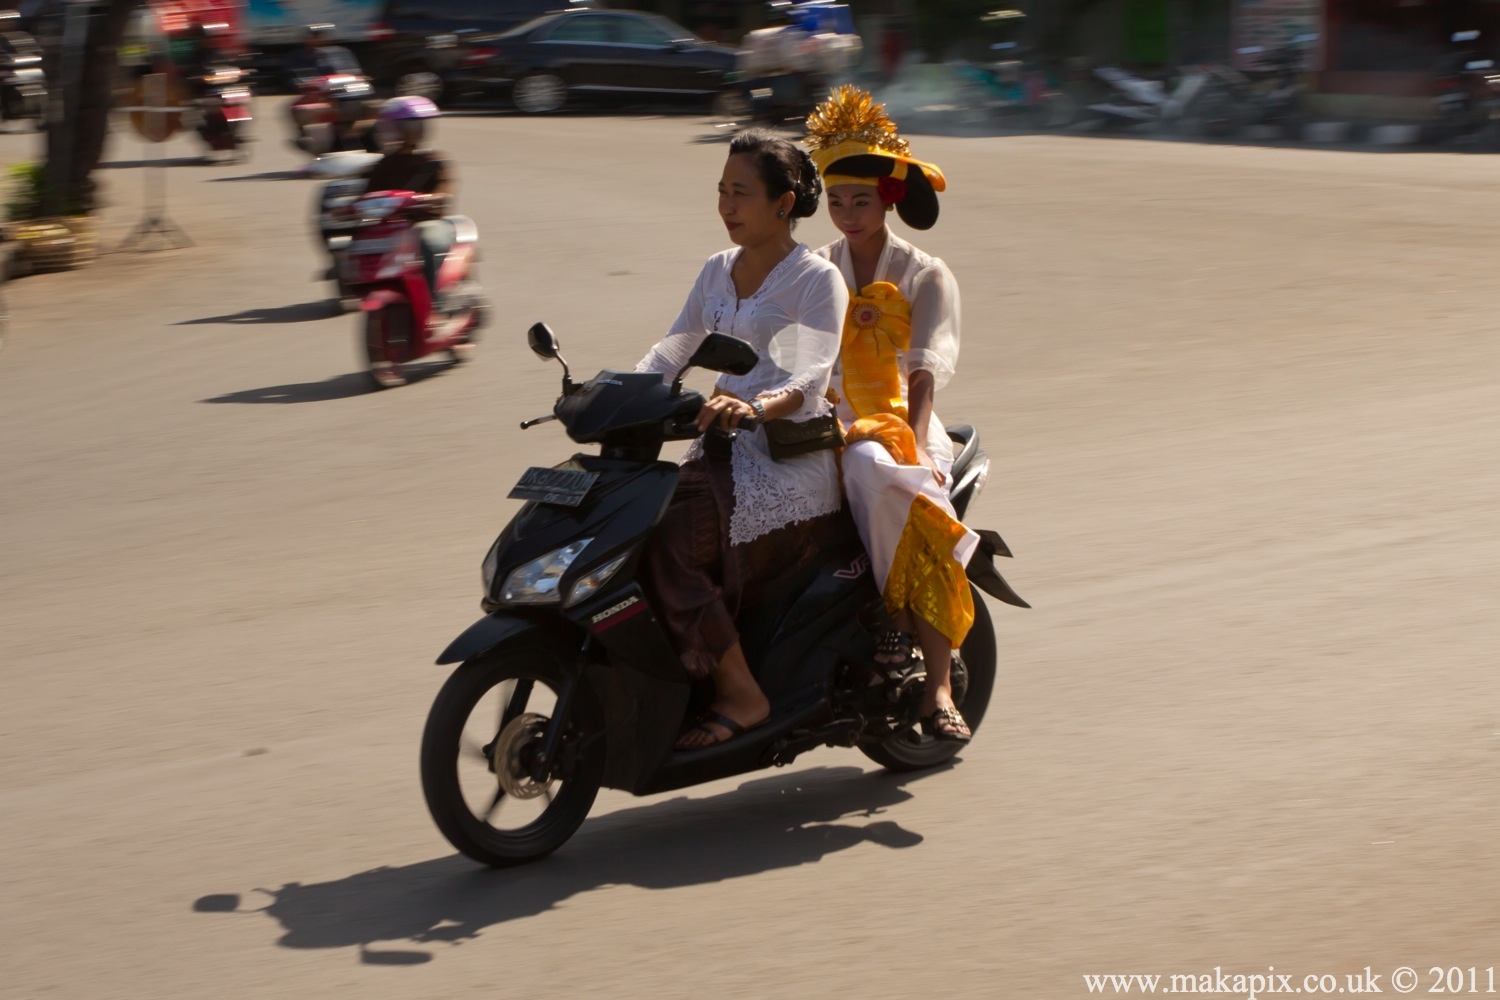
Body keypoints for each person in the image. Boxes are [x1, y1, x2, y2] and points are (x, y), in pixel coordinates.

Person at [635, 129, 848, 750]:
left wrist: (754, 405)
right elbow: (672, 350)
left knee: (667, 544)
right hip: (721, 449)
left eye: (741, 193)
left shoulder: (816, 280)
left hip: (785, 464)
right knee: (627, 530)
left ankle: (742, 694)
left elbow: (812, 377)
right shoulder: (715, 270)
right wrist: (610, 392)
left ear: (783, 204)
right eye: (721, 192)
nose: (726, 206)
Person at [806, 85, 979, 742]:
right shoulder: (816, 271)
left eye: (861, 200)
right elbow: (800, 359)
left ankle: (933, 679)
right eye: (836, 201)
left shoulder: (925, 274)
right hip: (831, 426)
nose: (848, 214)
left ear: (888, 199)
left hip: (904, 429)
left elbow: (926, 366)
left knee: (879, 468)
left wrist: (911, 440)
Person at [362, 95, 464, 384]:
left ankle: (437, 306)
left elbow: (446, 192)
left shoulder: (435, 161)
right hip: (394, 228)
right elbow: (367, 194)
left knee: (428, 242)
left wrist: (435, 197)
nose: (412, 132)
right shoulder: (385, 163)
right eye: (406, 126)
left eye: (416, 126)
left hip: (431, 225)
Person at [287, 23, 361, 86]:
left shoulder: (341, 51)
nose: (319, 40)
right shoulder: (297, 55)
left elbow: (353, 72)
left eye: (320, 36)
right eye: (314, 37)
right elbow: (299, 78)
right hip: (312, 89)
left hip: (339, 85)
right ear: (306, 39)